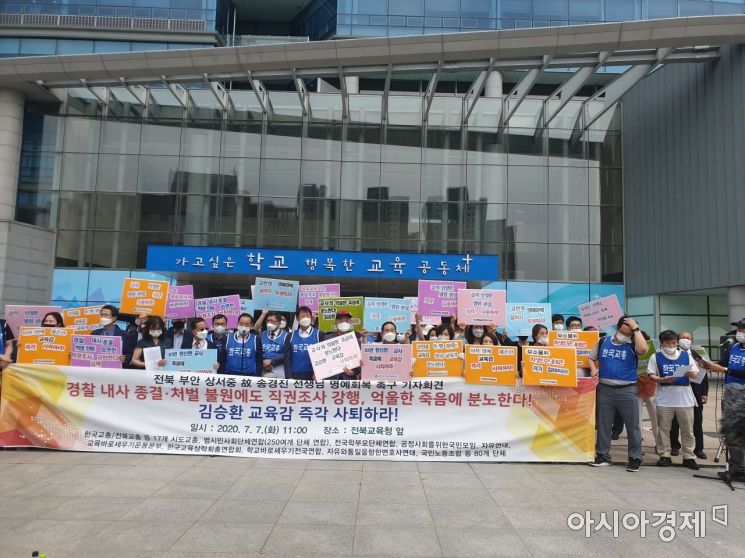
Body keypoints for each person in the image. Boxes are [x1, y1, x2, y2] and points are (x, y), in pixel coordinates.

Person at [588, 315, 649, 472]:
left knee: (632, 425)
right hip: (605, 388)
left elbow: (643, 350)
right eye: (622, 331)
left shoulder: (634, 344)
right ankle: (602, 455)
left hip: (627, 389)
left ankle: (635, 458)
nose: (624, 335)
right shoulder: (604, 341)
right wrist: (594, 369)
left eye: (628, 333)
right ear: (617, 328)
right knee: (603, 424)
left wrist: (635, 329)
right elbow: (590, 357)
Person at [647, 330, 700, 469]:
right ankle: (665, 455)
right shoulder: (655, 357)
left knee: (687, 429)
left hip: (684, 399)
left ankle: (689, 456)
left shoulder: (685, 355)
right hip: (664, 399)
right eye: (668, 343)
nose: (671, 346)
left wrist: (690, 373)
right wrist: (661, 379)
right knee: (664, 429)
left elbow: (695, 373)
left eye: (674, 343)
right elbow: (651, 374)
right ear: (662, 343)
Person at [669, 331, 709, 460]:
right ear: (677, 340)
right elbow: (673, 372)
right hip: (678, 390)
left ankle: (699, 448)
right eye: (683, 338)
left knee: (697, 421)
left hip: (695, 391)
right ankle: (674, 445)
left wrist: (704, 393)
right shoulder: (673, 354)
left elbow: (704, 375)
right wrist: (686, 370)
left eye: (688, 338)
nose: (686, 340)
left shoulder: (699, 354)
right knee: (675, 420)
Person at [714, 318, 745, 481]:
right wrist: (710, 365)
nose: (740, 332)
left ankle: (742, 467)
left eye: (743, 329)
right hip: (731, 393)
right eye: (739, 329)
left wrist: (725, 369)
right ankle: (736, 468)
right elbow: (724, 363)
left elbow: (730, 369)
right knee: (731, 431)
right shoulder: (734, 346)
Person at [322, 309, 361, 380]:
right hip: (331, 380)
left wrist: (353, 372)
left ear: (350, 322)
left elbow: (360, 363)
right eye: (340, 320)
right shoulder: (326, 339)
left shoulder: (356, 341)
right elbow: (320, 360)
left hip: (349, 380)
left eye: (346, 320)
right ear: (335, 322)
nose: (344, 323)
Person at [284, 306, 320, 381]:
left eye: (307, 316)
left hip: (313, 374)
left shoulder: (319, 334)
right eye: (303, 316)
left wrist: (318, 373)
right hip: (295, 373)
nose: (305, 318)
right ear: (297, 318)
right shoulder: (290, 335)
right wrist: (289, 377)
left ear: (311, 318)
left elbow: (322, 356)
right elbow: (287, 358)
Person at [260, 311, 287, 378]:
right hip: (263, 367)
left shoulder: (286, 336)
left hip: (279, 367)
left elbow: (287, 354)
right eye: (268, 321)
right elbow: (257, 351)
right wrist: (264, 362)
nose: (269, 323)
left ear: (279, 323)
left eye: (272, 321)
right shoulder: (261, 335)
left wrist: (272, 362)